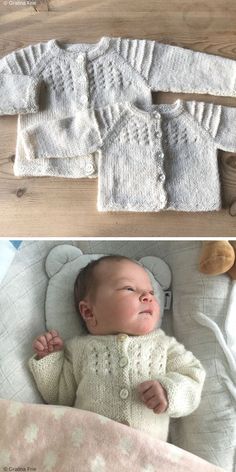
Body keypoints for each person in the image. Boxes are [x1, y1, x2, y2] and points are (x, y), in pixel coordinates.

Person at [29, 255, 205, 440]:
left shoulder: (164, 346)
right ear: (89, 312)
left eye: (151, 293)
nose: (147, 297)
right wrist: (51, 359)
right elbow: (59, 397)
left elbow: (193, 376)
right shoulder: (79, 349)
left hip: (146, 455)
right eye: (129, 288)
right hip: (89, 448)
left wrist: (169, 392)